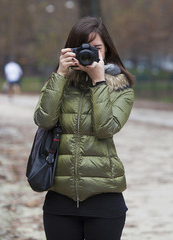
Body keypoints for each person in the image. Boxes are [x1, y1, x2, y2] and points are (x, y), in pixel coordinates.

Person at [33, 16, 135, 240]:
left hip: (105, 197)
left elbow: (105, 129)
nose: (89, 53)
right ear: (70, 50)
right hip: (60, 198)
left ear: (106, 50)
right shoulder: (58, 83)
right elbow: (43, 120)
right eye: (82, 48)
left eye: (96, 48)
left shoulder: (120, 87)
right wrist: (60, 76)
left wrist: (99, 83)